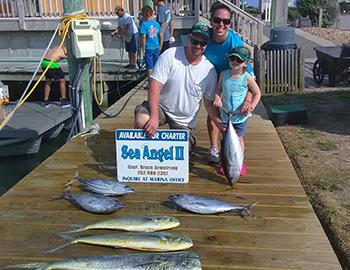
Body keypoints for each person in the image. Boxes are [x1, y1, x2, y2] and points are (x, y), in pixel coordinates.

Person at [134, 22, 221, 153]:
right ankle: (148, 156)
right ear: (189, 38)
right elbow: (155, 86)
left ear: (207, 45)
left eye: (202, 43)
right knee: (142, 121)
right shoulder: (170, 55)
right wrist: (154, 117)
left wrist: (220, 123)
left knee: (184, 151)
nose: (198, 46)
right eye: (195, 41)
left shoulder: (210, 70)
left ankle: (160, 150)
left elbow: (209, 104)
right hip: (162, 107)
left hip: (184, 121)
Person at [204, 1, 254, 164]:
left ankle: (234, 157)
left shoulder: (235, 42)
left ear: (230, 24)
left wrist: (247, 99)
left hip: (231, 80)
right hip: (212, 78)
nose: (221, 24)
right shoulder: (205, 37)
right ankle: (214, 148)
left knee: (232, 125)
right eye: (217, 20)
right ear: (211, 20)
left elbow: (249, 76)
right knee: (212, 112)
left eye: (226, 22)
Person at [213, 46, 261, 176]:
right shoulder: (224, 74)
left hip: (240, 117)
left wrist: (251, 106)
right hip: (225, 115)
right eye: (232, 58)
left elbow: (257, 93)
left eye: (238, 60)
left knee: (239, 139)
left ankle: (239, 162)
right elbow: (218, 90)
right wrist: (217, 97)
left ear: (245, 63)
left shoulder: (247, 77)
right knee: (225, 141)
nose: (234, 62)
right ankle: (226, 163)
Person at [140, 5, 163, 76]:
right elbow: (161, 36)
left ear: (144, 15)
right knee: (156, 65)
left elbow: (143, 37)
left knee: (149, 66)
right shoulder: (157, 23)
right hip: (156, 47)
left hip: (148, 47)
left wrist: (143, 49)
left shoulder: (144, 24)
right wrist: (160, 46)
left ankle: (150, 82)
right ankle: (156, 80)